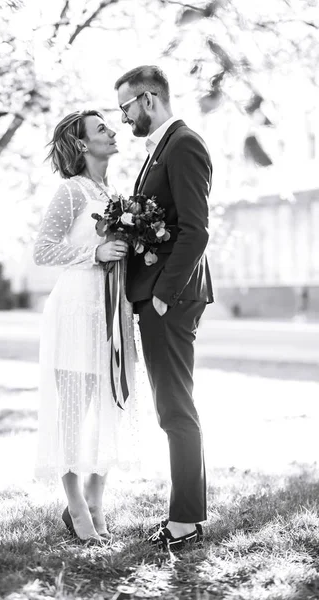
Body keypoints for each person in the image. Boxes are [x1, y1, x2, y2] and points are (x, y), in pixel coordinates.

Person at [115, 66, 214, 551]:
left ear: (148, 99)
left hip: (170, 299)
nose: (123, 117)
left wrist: (162, 294)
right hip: (158, 295)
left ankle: (185, 522)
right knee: (173, 407)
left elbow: (196, 230)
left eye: (125, 107)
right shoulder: (160, 148)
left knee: (175, 408)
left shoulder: (184, 144)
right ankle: (187, 514)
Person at [33, 110, 136, 543]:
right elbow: (42, 251)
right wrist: (94, 254)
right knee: (74, 414)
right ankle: (76, 510)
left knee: (107, 408)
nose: (113, 132)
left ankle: (97, 501)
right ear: (81, 145)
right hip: (76, 309)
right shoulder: (71, 192)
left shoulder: (116, 194)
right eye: (101, 129)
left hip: (111, 310)